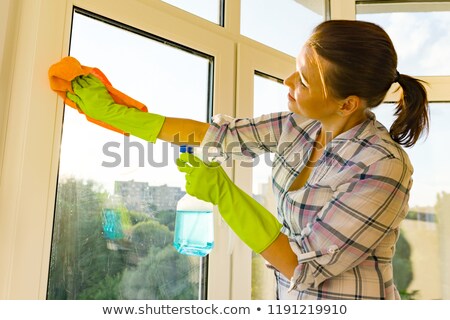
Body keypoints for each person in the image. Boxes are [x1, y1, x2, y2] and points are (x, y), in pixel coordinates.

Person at [65, 20, 429, 300]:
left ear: (346, 103)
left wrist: (224, 194)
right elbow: (220, 136)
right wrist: (119, 115)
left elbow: (300, 265)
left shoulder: (381, 166)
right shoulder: (300, 125)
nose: (287, 81)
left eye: (302, 80)